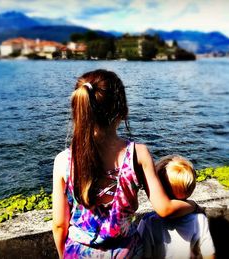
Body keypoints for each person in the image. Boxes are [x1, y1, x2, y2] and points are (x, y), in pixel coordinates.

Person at [52, 69, 199, 259]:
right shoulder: (138, 153)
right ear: (123, 111)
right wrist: (193, 205)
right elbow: (164, 208)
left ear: (80, 109)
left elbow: (59, 225)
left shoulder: (64, 161)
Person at [137, 155, 215, 259]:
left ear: (158, 189)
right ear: (191, 189)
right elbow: (209, 254)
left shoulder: (148, 222)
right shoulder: (200, 219)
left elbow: (144, 255)